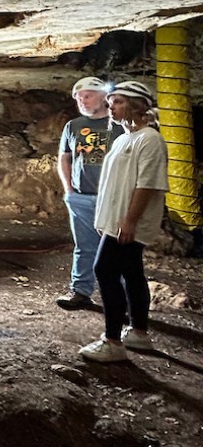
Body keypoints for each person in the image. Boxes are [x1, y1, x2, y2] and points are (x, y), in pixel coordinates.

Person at [78, 81, 167, 363]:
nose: (110, 106)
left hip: (128, 223)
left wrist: (129, 221)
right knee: (131, 273)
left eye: (117, 102)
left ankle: (113, 341)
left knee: (103, 269)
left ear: (136, 106)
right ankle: (139, 333)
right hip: (116, 220)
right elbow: (113, 184)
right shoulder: (121, 139)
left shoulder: (149, 139)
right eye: (111, 101)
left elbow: (147, 185)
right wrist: (104, 218)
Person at [56, 77, 124, 310]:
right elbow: (64, 157)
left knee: (116, 250)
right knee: (84, 246)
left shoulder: (120, 125)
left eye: (88, 95)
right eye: (78, 97)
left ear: (103, 97)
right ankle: (81, 291)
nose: (82, 100)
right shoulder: (73, 126)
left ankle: (120, 297)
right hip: (81, 197)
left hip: (113, 199)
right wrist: (69, 189)